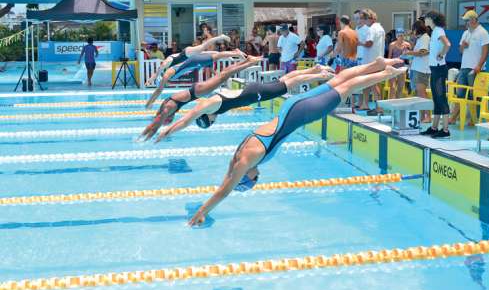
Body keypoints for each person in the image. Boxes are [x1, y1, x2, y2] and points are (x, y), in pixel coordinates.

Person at [185, 58, 407, 226]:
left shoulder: (247, 159)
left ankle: (385, 73)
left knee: (345, 88)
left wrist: (202, 212)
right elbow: (227, 179)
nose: (258, 176)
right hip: (292, 106)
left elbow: (225, 190)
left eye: (255, 179)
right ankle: (376, 64)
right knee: (337, 80)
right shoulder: (238, 156)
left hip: (301, 113)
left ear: (246, 176)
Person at [155, 65, 337, 142]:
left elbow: (186, 120)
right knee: (284, 81)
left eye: (211, 122)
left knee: (287, 84)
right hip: (252, 91)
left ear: (207, 118)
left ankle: (320, 75)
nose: (214, 122)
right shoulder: (215, 106)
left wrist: (166, 132)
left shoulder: (211, 106)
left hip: (254, 94)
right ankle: (315, 69)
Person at [140, 54, 263, 141]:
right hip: (196, 91)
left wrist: (148, 136)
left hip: (197, 92)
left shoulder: (168, 108)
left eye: (168, 120)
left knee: (224, 75)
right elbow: (156, 121)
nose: (167, 120)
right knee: (224, 75)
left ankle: (249, 62)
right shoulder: (166, 106)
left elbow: (156, 124)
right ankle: (247, 61)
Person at [144, 35, 236, 109]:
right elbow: (159, 85)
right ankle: (227, 52)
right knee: (205, 52)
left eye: (164, 83)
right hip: (188, 59)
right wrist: (152, 80)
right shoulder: (169, 74)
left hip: (185, 54)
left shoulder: (167, 70)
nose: (165, 84)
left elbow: (159, 88)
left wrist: (150, 101)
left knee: (202, 47)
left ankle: (221, 37)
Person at [449, 10, 489, 124]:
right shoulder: (465, 33)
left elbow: (486, 51)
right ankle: (453, 117)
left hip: (476, 69)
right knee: (460, 94)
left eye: (467, 21)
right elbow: (460, 51)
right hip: (464, 67)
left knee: (475, 95)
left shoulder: (483, 32)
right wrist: (462, 46)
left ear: (473, 20)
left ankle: (475, 119)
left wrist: (479, 65)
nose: (465, 23)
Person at [421, 11, 452, 138]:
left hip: (439, 70)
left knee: (441, 98)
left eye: (426, 18)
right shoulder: (434, 32)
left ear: (431, 19)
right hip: (435, 69)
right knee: (436, 99)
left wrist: (441, 54)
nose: (424, 20)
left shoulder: (438, 30)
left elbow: (447, 44)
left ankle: (445, 130)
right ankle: (434, 127)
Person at [405, 20, 431, 122]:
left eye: (413, 30)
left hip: (422, 70)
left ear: (416, 29)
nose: (413, 32)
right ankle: (421, 116)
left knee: (422, 93)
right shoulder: (421, 39)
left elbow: (423, 52)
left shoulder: (425, 38)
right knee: (419, 94)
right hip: (418, 69)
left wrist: (409, 52)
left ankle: (428, 116)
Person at [363, 9, 386, 114]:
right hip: (378, 59)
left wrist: (359, 43)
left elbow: (369, 43)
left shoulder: (371, 29)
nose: (364, 22)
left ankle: (379, 107)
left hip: (372, 61)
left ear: (370, 19)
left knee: (373, 84)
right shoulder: (380, 28)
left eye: (364, 19)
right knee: (375, 83)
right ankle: (379, 106)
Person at [387, 28, 412, 99]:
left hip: (402, 68)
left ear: (404, 35)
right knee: (392, 87)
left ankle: (398, 104)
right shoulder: (392, 45)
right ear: (396, 36)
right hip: (393, 68)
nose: (400, 37)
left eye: (402, 35)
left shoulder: (407, 45)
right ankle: (391, 105)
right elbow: (389, 58)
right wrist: (388, 68)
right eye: (399, 35)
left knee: (400, 88)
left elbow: (410, 57)